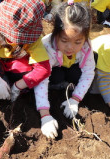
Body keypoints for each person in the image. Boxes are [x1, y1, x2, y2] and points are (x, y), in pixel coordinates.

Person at [0, 0, 55, 139]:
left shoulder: (32, 34)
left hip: (15, 63)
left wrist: (18, 86)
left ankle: (13, 88)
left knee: (27, 75)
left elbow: (44, 68)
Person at [35, 1, 94, 138]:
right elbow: (41, 79)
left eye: (77, 42)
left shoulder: (87, 46)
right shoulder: (47, 46)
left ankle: (67, 87)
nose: (70, 48)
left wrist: (75, 100)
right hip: (55, 71)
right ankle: (59, 85)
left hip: (70, 68)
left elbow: (88, 73)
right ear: (56, 33)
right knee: (55, 77)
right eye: (64, 40)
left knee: (76, 74)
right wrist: (45, 115)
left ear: (85, 38)